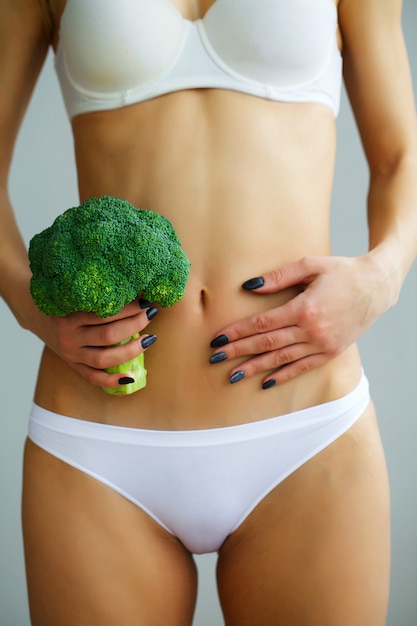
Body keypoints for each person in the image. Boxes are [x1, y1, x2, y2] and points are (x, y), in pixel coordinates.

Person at [1, 0, 416, 624]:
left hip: (307, 430)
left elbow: (400, 158)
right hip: (99, 440)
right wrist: (35, 311)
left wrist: (381, 278)